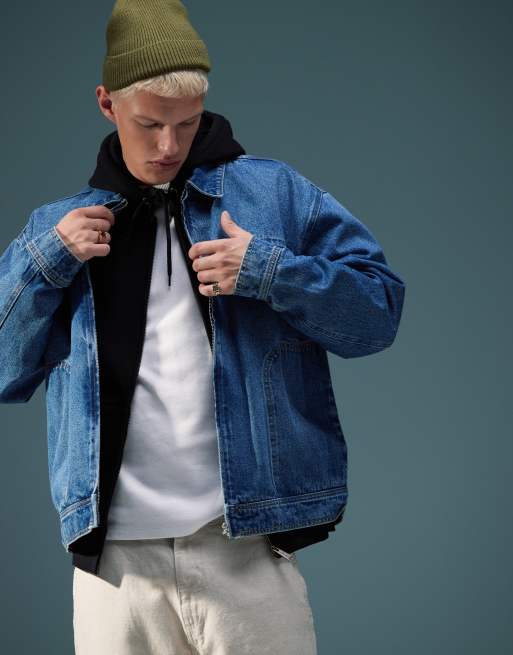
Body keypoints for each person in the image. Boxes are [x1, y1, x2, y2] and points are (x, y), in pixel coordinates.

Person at [0, 1, 406, 653]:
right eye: (149, 124)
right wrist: (46, 260)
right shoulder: (62, 227)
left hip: (246, 548)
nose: (168, 146)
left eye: (186, 124)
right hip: (115, 573)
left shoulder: (273, 196)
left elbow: (377, 316)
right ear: (107, 104)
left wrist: (271, 271)